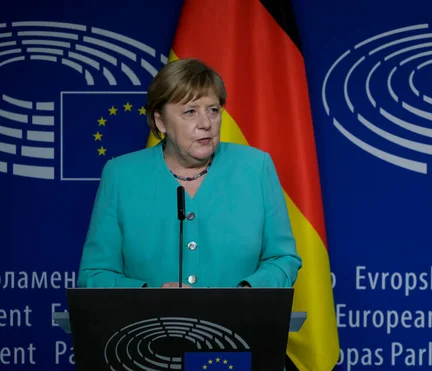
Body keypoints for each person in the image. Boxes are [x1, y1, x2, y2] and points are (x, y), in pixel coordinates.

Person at [77, 58, 302, 290]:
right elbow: (94, 274)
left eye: (213, 110)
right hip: (152, 325)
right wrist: (148, 296)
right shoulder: (121, 175)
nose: (205, 123)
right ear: (160, 120)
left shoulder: (256, 168)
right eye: (190, 112)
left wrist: (247, 295)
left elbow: (283, 259)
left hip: (240, 323)